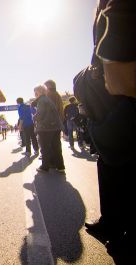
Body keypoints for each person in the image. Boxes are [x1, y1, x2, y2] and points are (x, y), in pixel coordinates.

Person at [78, 1, 136, 262]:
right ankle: (111, 220)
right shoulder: (101, 7)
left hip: (125, 95)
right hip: (111, 99)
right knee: (108, 161)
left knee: (125, 160)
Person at [33, 85, 65, 174]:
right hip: (55, 127)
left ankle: (44, 167)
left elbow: (40, 114)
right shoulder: (48, 99)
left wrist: (34, 118)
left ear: (41, 91)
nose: (35, 94)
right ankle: (60, 167)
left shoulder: (42, 100)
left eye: (36, 92)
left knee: (45, 148)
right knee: (57, 148)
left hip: (45, 128)